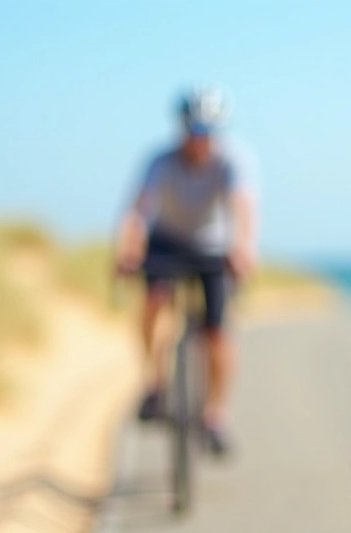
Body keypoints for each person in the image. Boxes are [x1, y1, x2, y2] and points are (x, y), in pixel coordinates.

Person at [115, 87, 259, 456]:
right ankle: (156, 383)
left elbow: (243, 207)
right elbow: (138, 209)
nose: (200, 140)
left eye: (207, 132)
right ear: (181, 129)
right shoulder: (160, 161)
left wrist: (244, 250)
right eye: (193, 131)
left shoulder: (234, 159)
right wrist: (128, 250)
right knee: (153, 301)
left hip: (214, 246)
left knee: (217, 332)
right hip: (168, 240)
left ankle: (214, 416)